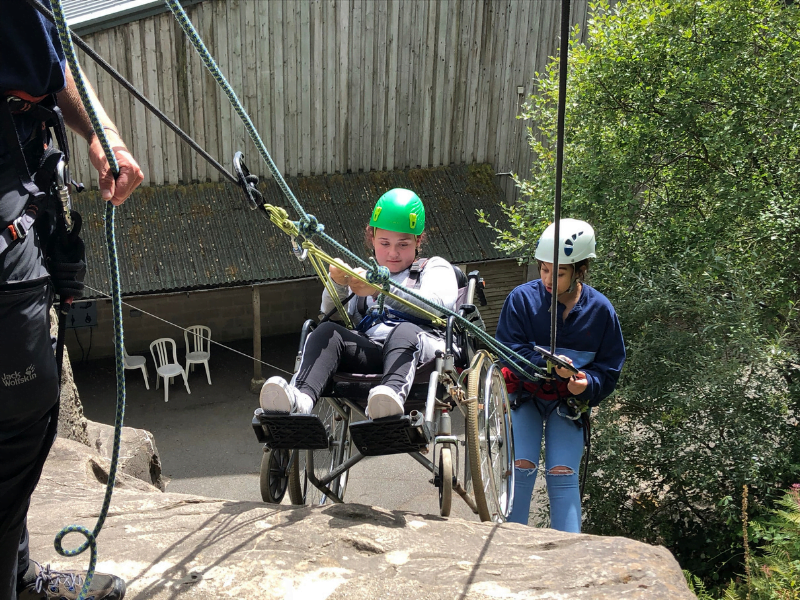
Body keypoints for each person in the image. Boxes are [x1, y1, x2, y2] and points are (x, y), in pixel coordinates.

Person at [0, 2, 144, 599]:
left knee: (24, 412)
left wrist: (102, 133)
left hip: (22, 164)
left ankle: (18, 572)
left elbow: (51, 66)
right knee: (17, 417)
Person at [259, 188, 458, 419]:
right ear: (372, 238)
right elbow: (333, 316)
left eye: (403, 244)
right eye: (384, 243)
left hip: (422, 352)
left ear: (418, 240)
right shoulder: (364, 275)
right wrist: (338, 283)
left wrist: (382, 288)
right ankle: (300, 400)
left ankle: (390, 399)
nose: (393, 253)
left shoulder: (434, 267)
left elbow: (437, 305)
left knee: (404, 331)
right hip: (373, 352)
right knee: (327, 331)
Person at [495, 218, 625, 531]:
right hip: (525, 396)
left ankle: (569, 553)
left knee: (562, 473)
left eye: (560, 271)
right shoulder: (522, 300)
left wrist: (586, 384)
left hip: (567, 402)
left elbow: (609, 366)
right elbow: (508, 351)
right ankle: (511, 549)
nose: (549, 278)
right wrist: (548, 368)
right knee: (521, 466)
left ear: (580, 270)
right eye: (543, 269)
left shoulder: (600, 311)